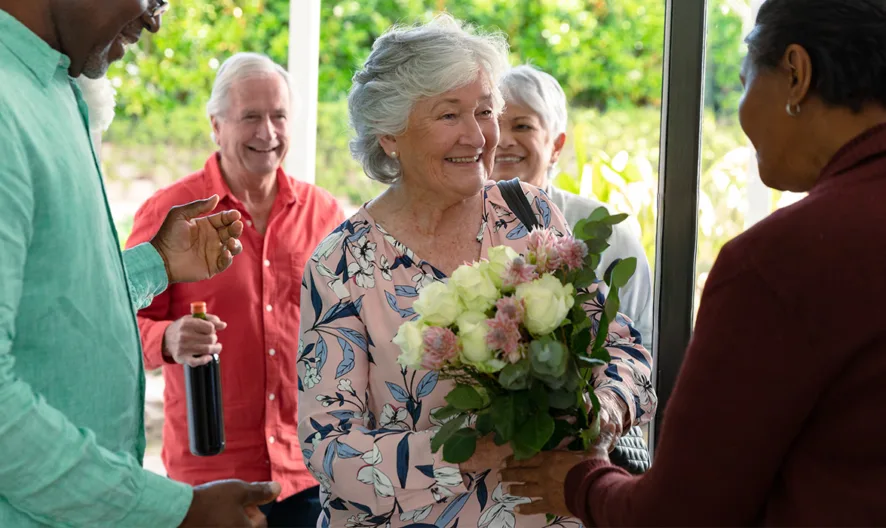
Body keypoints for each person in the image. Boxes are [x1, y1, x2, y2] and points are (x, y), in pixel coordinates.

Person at [501, 0, 886, 525]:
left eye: (746, 81)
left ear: (796, 73)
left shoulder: (781, 262)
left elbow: (683, 512)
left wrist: (578, 482)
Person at [296, 15, 657, 528]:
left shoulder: (528, 214)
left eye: (485, 111)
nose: (479, 136)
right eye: (449, 115)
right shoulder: (341, 262)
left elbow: (622, 349)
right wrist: (462, 452)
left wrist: (601, 412)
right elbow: (329, 448)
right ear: (389, 134)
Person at [0, 1, 281, 527]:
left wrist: (155, 264)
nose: (154, 19)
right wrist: (174, 510)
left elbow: (52, 306)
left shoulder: (57, 87)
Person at [127, 52, 345, 527]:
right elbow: (118, 321)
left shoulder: (324, 214)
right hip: (210, 476)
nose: (267, 133)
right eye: (251, 117)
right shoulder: (172, 214)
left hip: (308, 471)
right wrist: (166, 338)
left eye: (279, 116)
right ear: (216, 125)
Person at [492, 65, 653, 346]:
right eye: (493, 125)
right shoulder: (453, 225)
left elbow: (645, 338)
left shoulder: (605, 232)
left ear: (556, 145)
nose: (503, 141)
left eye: (523, 126)